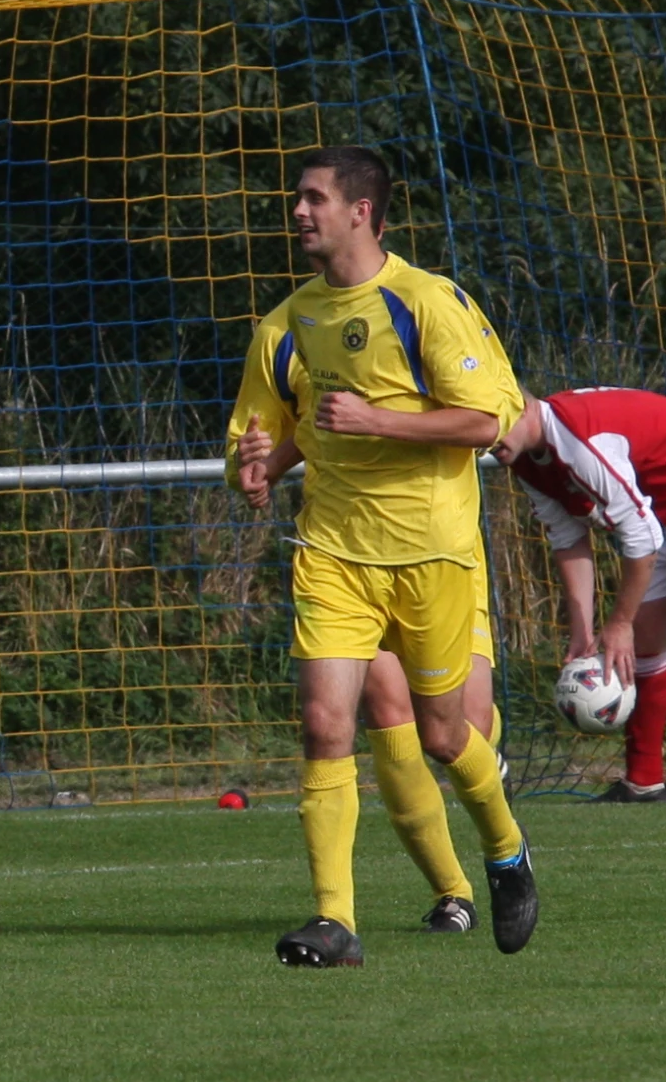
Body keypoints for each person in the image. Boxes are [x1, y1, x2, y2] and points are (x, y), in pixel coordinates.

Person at [225, 146, 536, 967]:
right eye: (297, 198)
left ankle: (504, 849)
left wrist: (380, 421)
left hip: (431, 551)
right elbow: (264, 442)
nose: (297, 212)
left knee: (445, 734)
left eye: (312, 199)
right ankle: (334, 920)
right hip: (332, 550)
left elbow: (484, 423)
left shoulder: (424, 301)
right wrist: (255, 467)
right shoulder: (283, 324)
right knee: (327, 724)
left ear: (360, 210)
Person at [489, 389, 666, 803]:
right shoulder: (526, 460)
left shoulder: (579, 443)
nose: (487, 439)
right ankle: (642, 781)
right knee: (643, 638)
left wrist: (617, 622)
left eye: (492, 423)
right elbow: (569, 540)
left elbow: (639, 536)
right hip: (664, 513)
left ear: (521, 406)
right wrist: (582, 631)